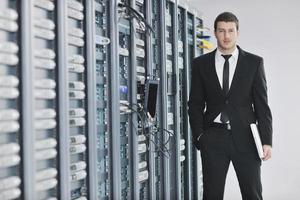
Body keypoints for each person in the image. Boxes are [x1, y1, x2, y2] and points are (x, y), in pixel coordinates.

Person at [188, 12, 272, 200]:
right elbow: (194, 104)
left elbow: (262, 105)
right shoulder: (201, 64)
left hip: (247, 138)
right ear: (216, 33)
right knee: (211, 195)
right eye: (222, 31)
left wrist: (266, 141)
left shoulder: (254, 63)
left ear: (237, 33)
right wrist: (200, 136)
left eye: (230, 31)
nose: (226, 36)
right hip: (213, 138)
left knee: (252, 194)